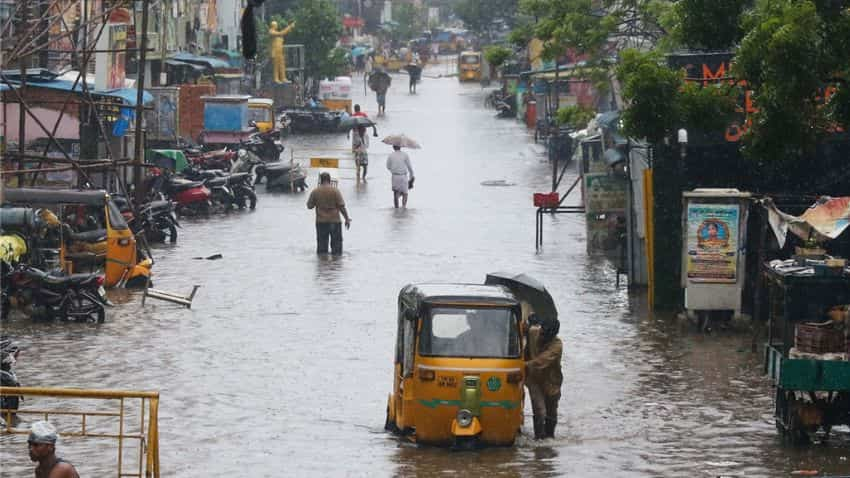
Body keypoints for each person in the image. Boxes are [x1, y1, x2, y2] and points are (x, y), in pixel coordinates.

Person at [524, 315, 563, 440]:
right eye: (541, 332)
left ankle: (549, 439)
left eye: (545, 335)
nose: (541, 336)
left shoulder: (557, 346)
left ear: (552, 335)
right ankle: (538, 441)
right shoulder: (533, 332)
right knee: (540, 411)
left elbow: (540, 361)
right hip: (533, 379)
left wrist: (522, 365)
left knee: (551, 414)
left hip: (552, 382)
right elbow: (522, 329)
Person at [306, 172, 352, 255]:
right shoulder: (335, 191)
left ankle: (323, 265)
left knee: (322, 249)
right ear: (329, 180)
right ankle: (336, 266)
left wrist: (318, 203)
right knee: (337, 249)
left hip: (321, 222)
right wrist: (347, 219)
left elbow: (309, 206)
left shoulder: (315, 191)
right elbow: (342, 207)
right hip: (335, 221)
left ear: (321, 180)